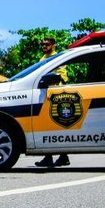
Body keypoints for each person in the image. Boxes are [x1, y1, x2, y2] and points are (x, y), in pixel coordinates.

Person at [35, 37, 71, 168]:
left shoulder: (57, 58)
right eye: (43, 44)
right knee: (49, 126)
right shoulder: (44, 57)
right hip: (46, 93)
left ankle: (60, 156)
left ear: (54, 45)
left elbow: (61, 75)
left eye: (47, 44)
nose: (44, 46)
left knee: (56, 125)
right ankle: (55, 157)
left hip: (56, 94)